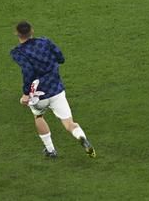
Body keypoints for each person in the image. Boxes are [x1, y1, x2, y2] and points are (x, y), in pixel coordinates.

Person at [10, 21, 95, 158]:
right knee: (69, 123)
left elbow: (28, 71)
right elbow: (60, 58)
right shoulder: (45, 42)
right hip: (56, 89)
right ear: (32, 31)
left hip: (38, 94)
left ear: (17, 33)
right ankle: (81, 137)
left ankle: (50, 150)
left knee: (38, 116)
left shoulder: (18, 52)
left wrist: (26, 94)